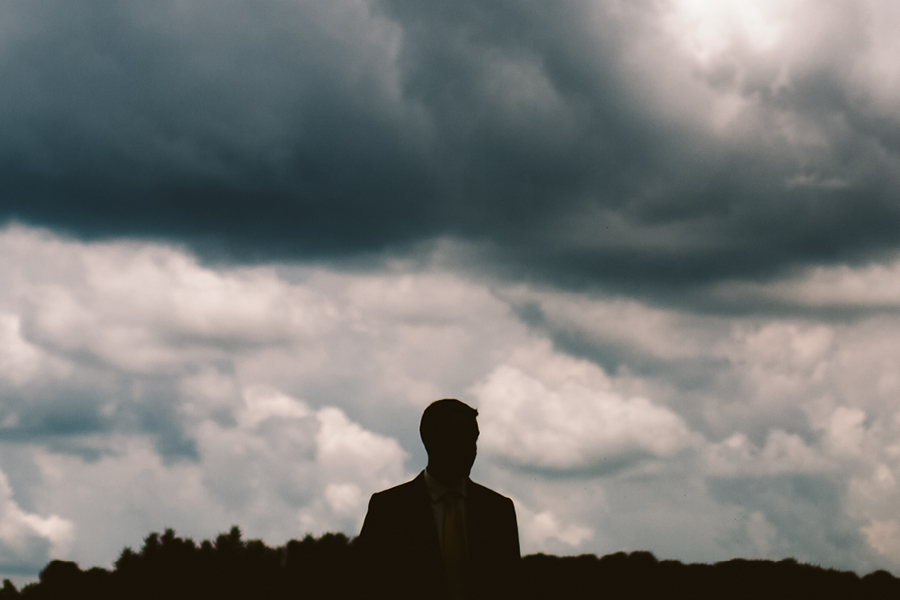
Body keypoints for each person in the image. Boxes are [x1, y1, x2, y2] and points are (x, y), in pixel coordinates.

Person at [357, 399, 520, 600]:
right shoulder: (389, 510)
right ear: (432, 440)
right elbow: (367, 583)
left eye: (473, 440)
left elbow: (510, 586)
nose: (471, 450)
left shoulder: (498, 511)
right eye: (460, 438)